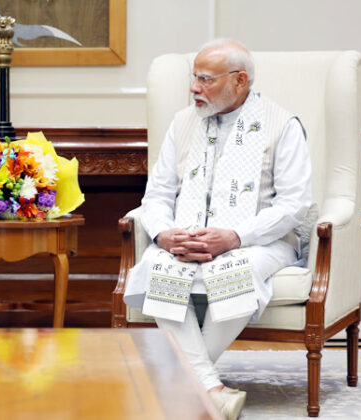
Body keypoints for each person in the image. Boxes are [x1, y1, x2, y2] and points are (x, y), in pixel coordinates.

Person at [123, 39, 311, 420]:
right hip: (185, 238)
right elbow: (157, 193)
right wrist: (163, 234)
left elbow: (295, 204)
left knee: (235, 270)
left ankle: (180, 383)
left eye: (205, 79)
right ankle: (210, 389)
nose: (194, 88)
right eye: (194, 77)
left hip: (263, 242)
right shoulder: (182, 122)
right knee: (161, 267)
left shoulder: (282, 124)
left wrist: (235, 237)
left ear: (240, 81)